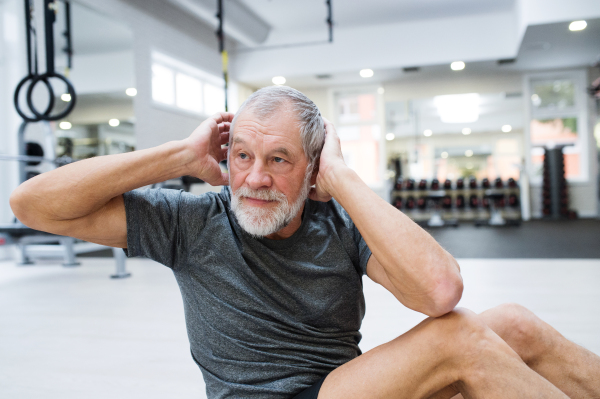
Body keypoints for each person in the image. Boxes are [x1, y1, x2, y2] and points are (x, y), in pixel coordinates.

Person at [10, 86, 600, 399]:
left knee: (514, 324)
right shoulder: (190, 222)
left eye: (279, 159)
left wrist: (341, 180)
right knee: (465, 341)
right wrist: (181, 156)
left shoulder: (338, 223)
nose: (256, 178)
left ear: (312, 166)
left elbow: (438, 288)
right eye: (242, 156)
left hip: (339, 389)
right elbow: (30, 205)